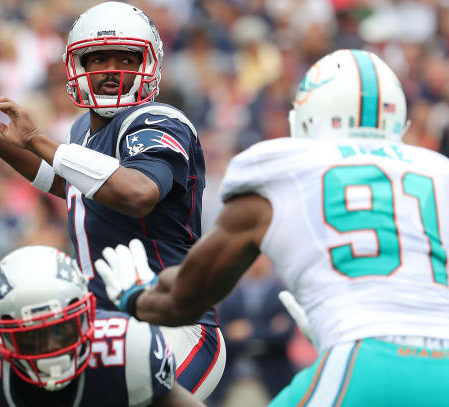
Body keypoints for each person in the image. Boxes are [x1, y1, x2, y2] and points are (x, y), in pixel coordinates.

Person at [95, 49, 449, 406]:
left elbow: (185, 301)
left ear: (307, 116)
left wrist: (137, 296)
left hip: (361, 359)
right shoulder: (440, 171)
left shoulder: (284, 168)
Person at [0, 1, 224, 399]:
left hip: (175, 323)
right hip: (104, 326)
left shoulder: (159, 120)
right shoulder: (83, 130)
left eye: (125, 57)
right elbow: (70, 183)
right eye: (98, 58)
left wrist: (39, 140)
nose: (112, 69)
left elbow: (138, 193)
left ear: (149, 63)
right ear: (77, 66)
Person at [0, 245, 203, 407]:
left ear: (87, 316)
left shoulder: (129, 351)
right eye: (32, 337)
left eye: (61, 330)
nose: (51, 349)